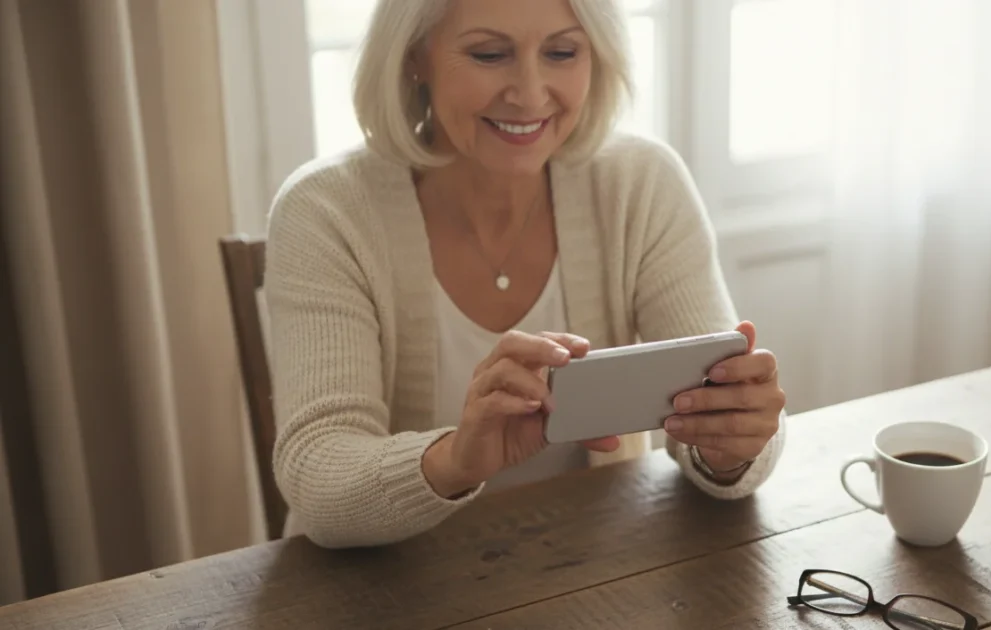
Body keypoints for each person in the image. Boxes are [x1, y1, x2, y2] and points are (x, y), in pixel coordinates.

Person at [264, 0, 788, 549]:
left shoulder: (641, 184)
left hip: (589, 569)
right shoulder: (324, 210)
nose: (531, 92)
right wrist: (455, 459)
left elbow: (733, 427)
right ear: (415, 56)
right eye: (490, 54)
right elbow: (316, 478)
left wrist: (734, 446)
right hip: (384, 587)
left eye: (562, 52)